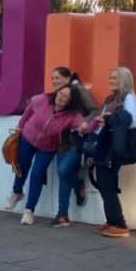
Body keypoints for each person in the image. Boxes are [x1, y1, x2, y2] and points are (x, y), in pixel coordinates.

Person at [4, 85, 92, 225]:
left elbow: (84, 127)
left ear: (71, 101)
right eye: (60, 93)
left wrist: (94, 124)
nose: (61, 97)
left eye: (65, 96)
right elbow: (29, 110)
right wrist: (20, 126)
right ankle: (16, 193)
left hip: (48, 147)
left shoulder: (72, 115)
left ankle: (29, 210)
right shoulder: (42, 99)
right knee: (22, 166)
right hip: (28, 137)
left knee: (37, 174)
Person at [84, 67, 136, 239]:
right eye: (110, 77)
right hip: (105, 144)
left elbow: (132, 122)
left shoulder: (128, 97)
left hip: (114, 147)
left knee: (107, 183)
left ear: (124, 79)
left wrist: (109, 119)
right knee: (104, 183)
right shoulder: (111, 98)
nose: (111, 80)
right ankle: (111, 220)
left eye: (115, 78)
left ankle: (119, 224)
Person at [50, 67, 98, 212]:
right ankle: (62, 214)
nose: (54, 81)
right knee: (62, 176)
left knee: (64, 171)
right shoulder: (58, 94)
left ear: (68, 78)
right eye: (52, 78)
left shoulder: (78, 89)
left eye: (57, 78)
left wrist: (82, 123)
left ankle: (78, 185)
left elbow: (94, 110)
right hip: (61, 141)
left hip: (76, 140)